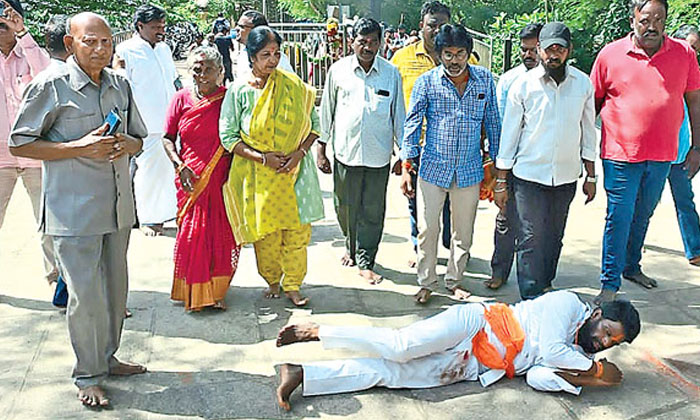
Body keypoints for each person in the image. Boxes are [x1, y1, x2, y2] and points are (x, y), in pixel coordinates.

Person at [9, 12, 148, 408]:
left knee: (114, 292)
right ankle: (87, 375)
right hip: (74, 212)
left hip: (117, 207)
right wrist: (79, 147)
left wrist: (125, 143)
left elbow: (140, 137)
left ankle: (108, 358)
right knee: (85, 296)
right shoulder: (50, 86)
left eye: (106, 42)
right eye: (91, 41)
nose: (101, 49)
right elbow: (20, 144)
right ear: (70, 44)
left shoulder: (119, 84)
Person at [273, 290, 640, 411]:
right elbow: (551, 349)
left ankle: (302, 374)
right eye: (607, 331)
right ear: (596, 313)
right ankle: (319, 331)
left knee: (392, 375)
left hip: (475, 364)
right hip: (474, 323)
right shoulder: (567, 305)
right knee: (401, 346)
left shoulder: (582, 350)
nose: (604, 343)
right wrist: (593, 373)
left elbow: (541, 376)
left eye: (612, 343)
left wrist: (585, 381)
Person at [590, 0, 700, 304]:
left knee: (643, 214)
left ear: (665, 21)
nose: (651, 26)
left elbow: (694, 101)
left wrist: (697, 147)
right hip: (620, 154)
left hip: (664, 154)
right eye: (645, 20)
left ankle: (631, 266)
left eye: (658, 19)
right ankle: (609, 283)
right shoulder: (610, 55)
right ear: (632, 19)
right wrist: (585, 150)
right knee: (619, 216)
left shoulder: (684, 53)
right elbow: (592, 106)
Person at [220, 26, 324, 307]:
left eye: (277, 54)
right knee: (267, 235)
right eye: (266, 54)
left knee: (297, 232)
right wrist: (262, 157)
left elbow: (315, 126)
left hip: (295, 172)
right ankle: (272, 279)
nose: (273, 60)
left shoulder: (294, 87)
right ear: (251, 56)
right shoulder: (239, 90)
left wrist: (299, 154)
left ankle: (293, 284)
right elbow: (228, 136)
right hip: (259, 174)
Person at [495, 23, 597, 300]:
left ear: (568, 51)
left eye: (560, 49)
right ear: (539, 50)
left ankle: (545, 284)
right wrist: (501, 181)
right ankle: (530, 295)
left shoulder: (582, 83)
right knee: (530, 236)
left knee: (554, 235)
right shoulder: (523, 86)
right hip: (528, 176)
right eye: (549, 49)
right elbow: (509, 137)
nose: (554, 55)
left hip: (566, 176)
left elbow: (588, 132)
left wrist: (591, 176)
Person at [400, 24, 501, 304]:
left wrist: (496, 165)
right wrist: (407, 165)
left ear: (469, 53)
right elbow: (412, 123)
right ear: (439, 54)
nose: (454, 60)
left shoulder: (484, 81)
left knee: (463, 232)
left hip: (469, 171)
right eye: (448, 54)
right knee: (427, 229)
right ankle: (426, 282)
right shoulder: (427, 82)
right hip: (432, 169)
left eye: (460, 54)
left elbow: (493, 122)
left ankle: (455, 280)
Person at [317, 18, 405, 284]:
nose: (367, 47)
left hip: (378, 156)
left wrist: (403, 154)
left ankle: (366, 259)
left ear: (381, 42)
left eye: (373, 42)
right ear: (352, 41)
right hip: (345, 153)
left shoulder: (391, 73)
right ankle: (350, 245)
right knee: (344, 206)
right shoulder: (338, 71)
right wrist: (321, 148)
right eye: (362, 41)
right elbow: (327, 112)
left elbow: (398, 114)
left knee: (372, 210)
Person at [162, 46, 241, 312]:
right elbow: (168, 137)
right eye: (197, 69)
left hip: (221, 178)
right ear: (190, 71)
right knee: (192, 234)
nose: (203, 74)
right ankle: (192, 290)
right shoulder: (180, 99)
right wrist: (178, 164)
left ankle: (215, 292)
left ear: (221, 72)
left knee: (219, 234)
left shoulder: (229, 99)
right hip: (189, 178)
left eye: (209, 69)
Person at [391, 1, 452, 269]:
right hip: (417, 147)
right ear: (421, 27)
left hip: (454, 148)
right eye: (432, 25)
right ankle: (420, 247)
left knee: (453, 204)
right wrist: (399, 151)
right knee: (417, 203)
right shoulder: (401, 59)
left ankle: (451, 249)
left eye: (443, 25)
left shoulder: (465, 58)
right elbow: (391, 104)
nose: (437, 30)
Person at [0, 0, 57, 285]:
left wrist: (22, 34)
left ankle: (58, 282)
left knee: (48, 223)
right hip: (0, 158)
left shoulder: (32, 54)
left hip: (35, 152)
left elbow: (49, 78)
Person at [486, 23, 542, 291]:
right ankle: (499, 271)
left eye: (534, 49)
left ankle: (537, 277)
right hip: (510, 163)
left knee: (538, 225)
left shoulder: (558, 81)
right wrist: (497, 168)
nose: (528, 55)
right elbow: (496, 123)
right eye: (524, 50)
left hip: (540, 164)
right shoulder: (509, 80)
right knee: (505, 219)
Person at [113, 3, 178, 236]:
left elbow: (173, 80)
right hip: (145, 125)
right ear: (140, 26)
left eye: (162, 26)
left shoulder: (164, 49)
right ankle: (148, 219)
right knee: (148, 173)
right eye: (155, 27)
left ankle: (167, 214)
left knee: (169, 171)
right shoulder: (126, 50)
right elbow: (120, 85)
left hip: (169, 122)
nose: (161, 31)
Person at [666, 25, 700, 266]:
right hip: (655, 153)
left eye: (697, 49)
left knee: (685, 201)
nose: (693, 53)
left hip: (683, 154)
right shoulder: (661, 72)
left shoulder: (694, 77)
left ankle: (695, 250)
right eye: (689, 47)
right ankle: (630, 250)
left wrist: (696, 150)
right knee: (640, 205)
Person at [231, 10, 294, 79]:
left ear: (257, 31)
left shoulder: (278, 60)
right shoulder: (243, 53)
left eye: (242, 26)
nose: (237, 28)